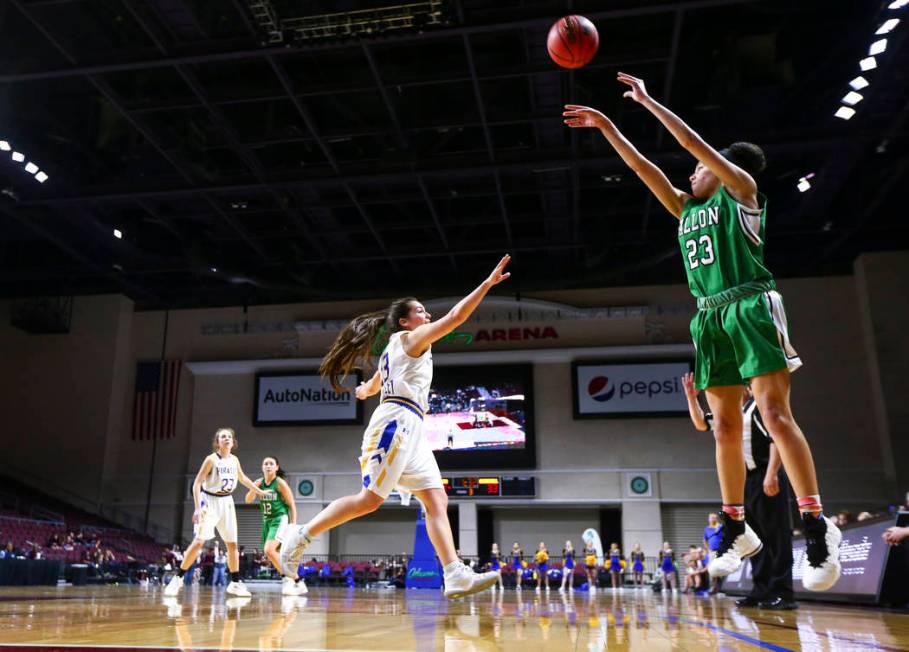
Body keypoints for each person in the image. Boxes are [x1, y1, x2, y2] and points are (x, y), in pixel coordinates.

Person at [563, 75, 840, 592]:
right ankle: (737, 527)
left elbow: (694, 145)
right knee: (724, 428)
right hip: (709, 316)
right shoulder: (686, 209)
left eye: (699, 167)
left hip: (751, 305)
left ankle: (817, 523)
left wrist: (647, 104)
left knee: (776, 415)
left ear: (722, 170)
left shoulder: (741, 193)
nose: (691, 171)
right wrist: (607, 129)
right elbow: (643, 169)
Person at [279, 256, 511, 599]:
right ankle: (301, 535)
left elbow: (374, 383)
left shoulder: (393, 347)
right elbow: (457, 317)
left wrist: (365, 390)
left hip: (413, 426)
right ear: (405, 321)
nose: (427, 316)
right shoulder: (410, 339)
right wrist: (487, 284)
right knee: (370, 500)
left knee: (436, 498)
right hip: (396, 423)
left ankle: (454, 574)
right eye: (420, 311)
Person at [684, 374, 796, 609]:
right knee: (752, 539)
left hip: (765, 476)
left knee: (776, 535)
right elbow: (701, 424)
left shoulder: (759, 407)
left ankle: (783, 592)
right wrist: (691, 397)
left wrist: (772, 473)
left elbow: (776, 440)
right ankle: (761, 590)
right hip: (744, 482)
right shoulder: (731, 412)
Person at [164, 427, 268, 598]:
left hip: (227, 501)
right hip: (209, 501)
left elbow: (243, 479)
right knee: (199, 542)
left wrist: (259, 491)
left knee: (232, 544)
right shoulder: (211, 460)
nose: (226, 438)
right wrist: (197, 508)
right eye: (222, 437)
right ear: (217, 442)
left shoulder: (234, 460)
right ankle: (178, 579)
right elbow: (197, 484)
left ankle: (234, 583)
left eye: (229, 436)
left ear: (233, 442)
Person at [245, 455, 307, 596]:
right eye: (265, 463)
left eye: (271, 464)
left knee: (268, 550)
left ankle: (287, 580)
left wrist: (293, 524)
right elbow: (248, 500)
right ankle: (298, 581)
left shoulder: (279, 483)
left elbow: (291, 504)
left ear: (276, 467)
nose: (268, 466)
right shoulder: (259, 483)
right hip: (267, 521)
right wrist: (254, 488)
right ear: (262, 467)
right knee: (272, 554)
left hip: (280, 519)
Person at [702, 512, 724, 593]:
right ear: (708, 519)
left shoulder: (720, 527)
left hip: (721, 551)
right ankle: (713, 587)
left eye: (714, 517)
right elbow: (705, 540)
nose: (712, 519)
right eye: (711, 518)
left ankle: (722, 587)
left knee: (721, 568)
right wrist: (708, 549)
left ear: (716, 518)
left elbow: (726, 537)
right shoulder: (707, 529)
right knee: (712, 570)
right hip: (712, 552)